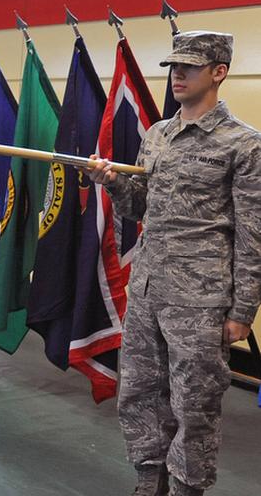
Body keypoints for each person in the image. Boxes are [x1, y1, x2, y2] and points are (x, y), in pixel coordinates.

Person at [88, 31, 261, 496]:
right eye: (173, 67)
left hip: (200, 300)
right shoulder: (158, 135)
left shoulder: (243, 144)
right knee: (140, 395)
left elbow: (253, 233)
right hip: (147, 290)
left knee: (195, 403)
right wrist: (110, 182)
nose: (177, 75)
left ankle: (187, 489)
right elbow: (137, 208)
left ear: (219, 72)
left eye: (189, 67)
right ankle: (149, 481)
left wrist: (243, 310)